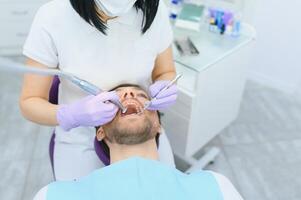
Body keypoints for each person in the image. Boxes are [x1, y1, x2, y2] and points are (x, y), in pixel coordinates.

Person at [19, 0, 177, 180]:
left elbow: (165, 71)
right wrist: (70, 115)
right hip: (80, 135)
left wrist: (167, 84)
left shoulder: (153, 9)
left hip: (144, 134)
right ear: (100, 132)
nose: (129, 94)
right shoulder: (52, 17)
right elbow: (29, 102)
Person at [33, 85, 243, 200]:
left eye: (141, 95)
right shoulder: (54, 195)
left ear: (159, 125)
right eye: (113, 99)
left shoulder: (215, 186)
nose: (129, 94)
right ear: (100, 131)